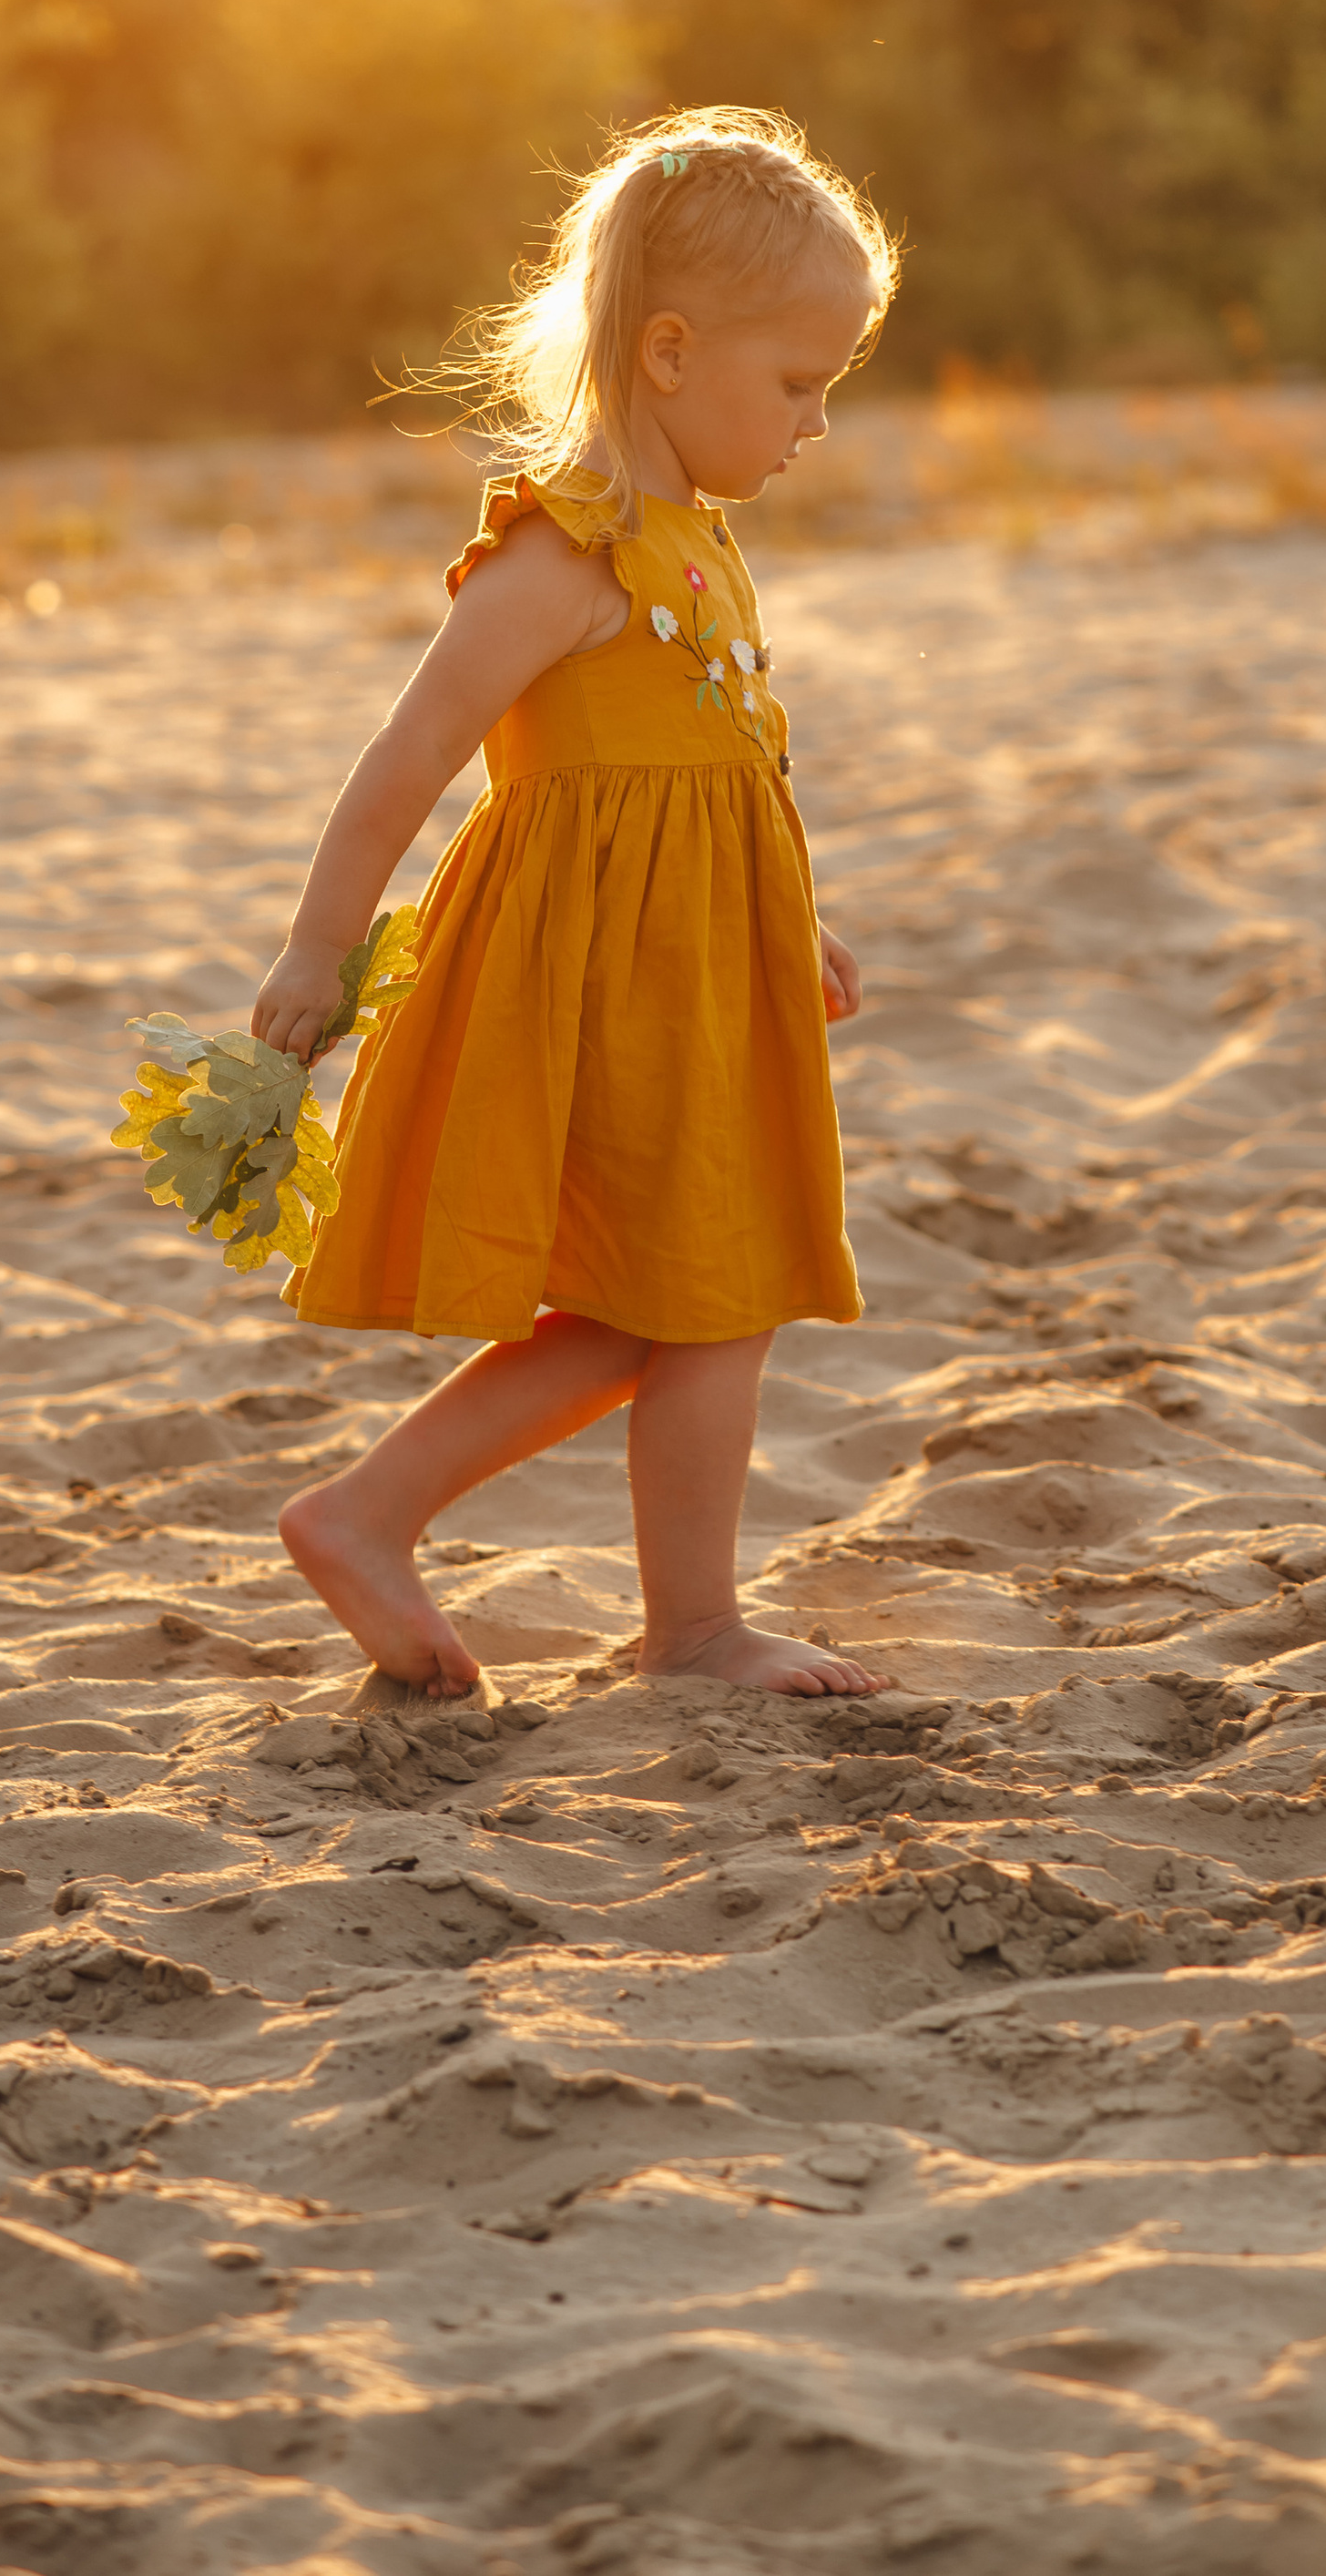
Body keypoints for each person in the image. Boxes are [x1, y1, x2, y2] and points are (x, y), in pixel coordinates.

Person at [251, 112, 897, 1701]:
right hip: (600, 983)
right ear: (669, 351)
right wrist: (316, 947)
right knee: (699, 1298)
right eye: (797, 382)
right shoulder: (568, 553)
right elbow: (408, 758)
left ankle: (372, 1515)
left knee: (665, 1310)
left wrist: (780, 922)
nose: (815, 422)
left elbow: (720, 760)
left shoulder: (700, 542)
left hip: (698, 974)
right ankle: (683, 1627)